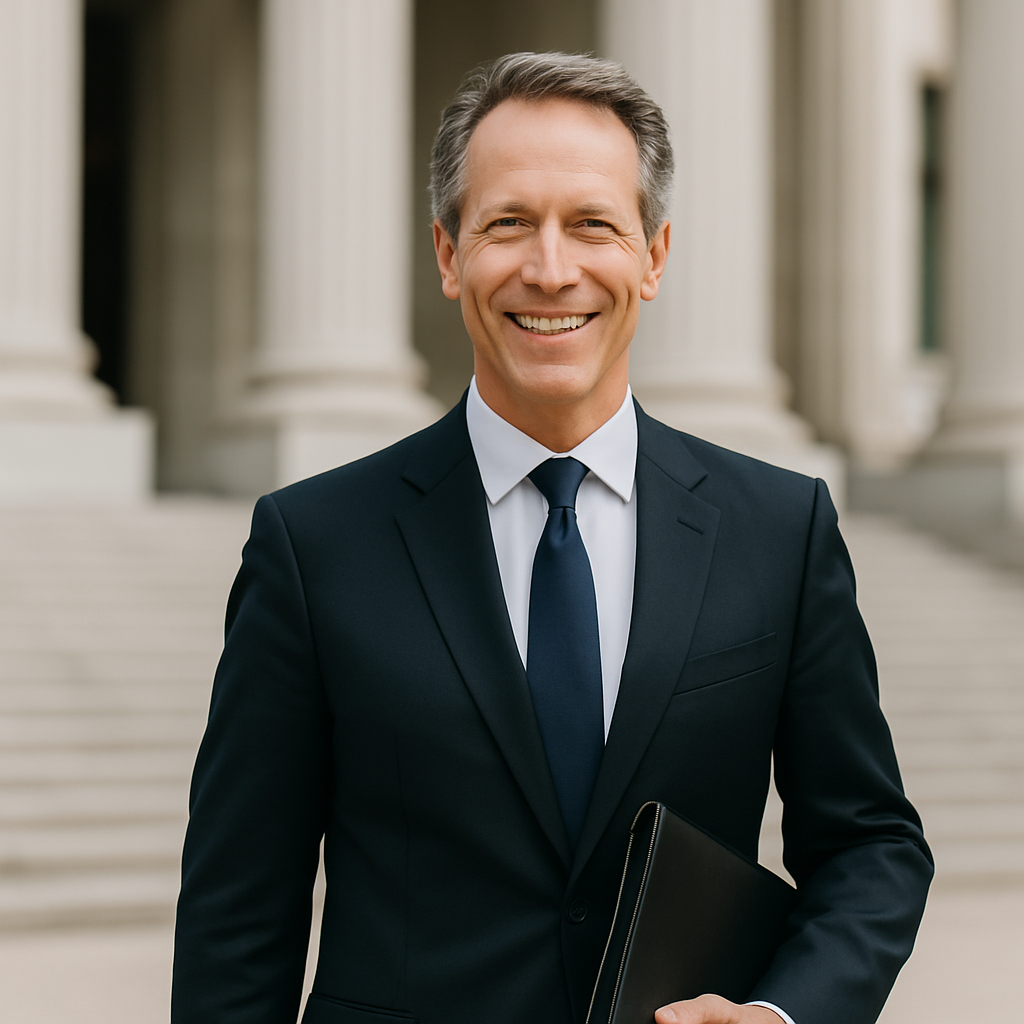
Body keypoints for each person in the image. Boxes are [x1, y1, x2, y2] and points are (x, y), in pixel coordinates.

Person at [172, 52, 932, 1024]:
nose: (550, 268)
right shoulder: (310, 545)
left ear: (653, 256)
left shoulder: (780, 531)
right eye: (506, 224)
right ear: (448, 255)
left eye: (591, 225)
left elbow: (870, 844)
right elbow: (239, 912)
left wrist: (784, 1016)